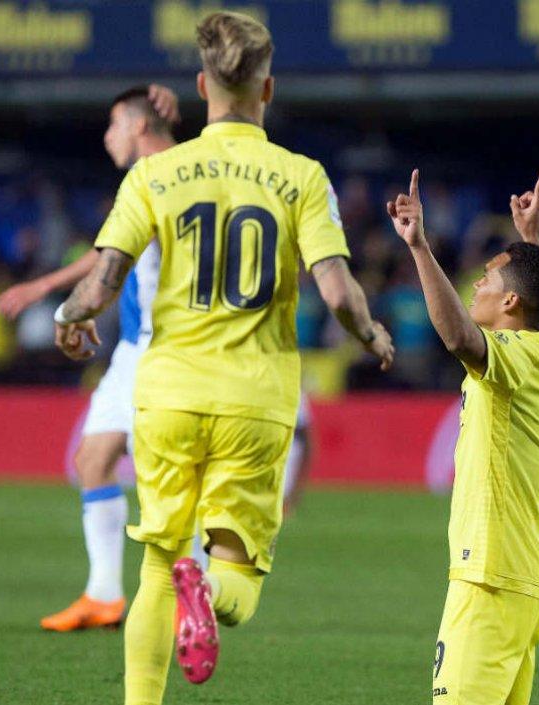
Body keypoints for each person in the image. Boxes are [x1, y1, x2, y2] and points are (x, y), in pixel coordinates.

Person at [53, 12, 394, 704]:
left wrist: (67, 316)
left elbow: (102, 280)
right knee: (237, 579)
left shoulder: (155, 173)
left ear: (203, 85)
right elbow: (338, 292)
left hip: (168, 392)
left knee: (154, 565)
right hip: (255, 398)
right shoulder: (301, 176)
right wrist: (373, 337)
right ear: (266, 90)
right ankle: (206, 588)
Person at [386, 170, 539, 705]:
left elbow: (457, 336)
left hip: (491, 573)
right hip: (531, 575)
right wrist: (533, 240)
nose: (476, 284)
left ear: (511, 305)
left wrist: (419, 247)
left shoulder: (512, 358)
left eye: (487, 281)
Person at [0, 84, 180, 632]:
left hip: (172, 347)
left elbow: (109, 257)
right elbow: (110, 251)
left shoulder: (173, 175)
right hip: (134, 347)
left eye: (112, 125)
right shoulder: (148, 178)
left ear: (139, 125)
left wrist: (55, 300)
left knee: (166, 476)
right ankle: (104, 595)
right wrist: (46, 290)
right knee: (93, 459)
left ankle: (188, 595)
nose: (106, 137)